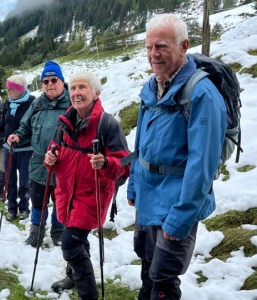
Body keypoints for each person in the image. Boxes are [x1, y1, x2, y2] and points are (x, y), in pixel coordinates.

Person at [126, 14, 226, 300]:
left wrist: (181, 219)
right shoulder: (152, 86)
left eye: (161, 46)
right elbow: (141, 143)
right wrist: (134, 184)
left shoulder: (202, 94)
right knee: (147, 270)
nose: (153, 54)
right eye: (148, 47)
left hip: (175, 204)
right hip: (148, 197)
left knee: (164, 283)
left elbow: (202, 165)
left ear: (184, 46)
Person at [44, 71, 129, 299]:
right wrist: (50, 159)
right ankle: (72, 277)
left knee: (70, 245)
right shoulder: (64, 123)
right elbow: (53, 151)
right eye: (73, 88)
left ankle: (87, 295)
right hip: (66, 194)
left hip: (91, 197)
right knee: (77, 242)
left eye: (82, 88)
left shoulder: (107, 125)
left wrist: (105, 163)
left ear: (96, 93)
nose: (76, 93)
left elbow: (124, 165)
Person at [7, 61, 70, 247]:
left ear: (61, 81)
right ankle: (37, 231)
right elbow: (25, 126)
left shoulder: (71, 104)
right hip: (39, 162)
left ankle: (58, 231)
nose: (49, 84)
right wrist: (17, 136)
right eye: (45, 81)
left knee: (60, 199)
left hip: (63, 164)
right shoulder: (38, 103)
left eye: (53, 80)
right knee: (38, 200)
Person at [0, 75, 34, 221]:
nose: (8, 91)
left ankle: (24, 207)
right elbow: (4, 123)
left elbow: (33, 126)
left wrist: (20, 137)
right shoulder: (8, 102)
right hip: (8, 148)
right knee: (10, 179)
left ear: (20, 89)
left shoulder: (32, 103)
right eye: (7, 88)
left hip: (25, 148)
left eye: (11, 88)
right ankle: (12, 208)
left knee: (25, 180)